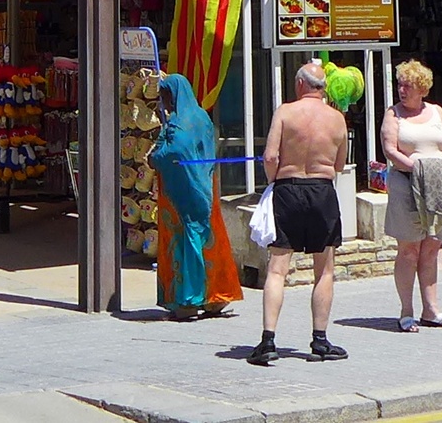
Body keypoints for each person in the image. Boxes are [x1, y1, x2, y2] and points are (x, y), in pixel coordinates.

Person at [251, 60, 350, 367]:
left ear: (299, 85)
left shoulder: (285, 112)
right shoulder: (337, 119)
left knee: (278, 268)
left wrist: (274, 182)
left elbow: (270, 156)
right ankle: (320, 340)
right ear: (322, 89)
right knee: (325, 270)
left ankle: (268, 340)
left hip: (288, 188)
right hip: (322, 191)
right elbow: (339, 165)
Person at [149, 74, 236, 320]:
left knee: (186, 242)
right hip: (206, 187)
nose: (163, 102)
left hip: (183, 193)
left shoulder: (178, 122)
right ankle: (214, 297)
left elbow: (175, 149)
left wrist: (155, 157)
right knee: (209, 239)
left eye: (164, 96)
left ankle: (188, 301)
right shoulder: (202, 117)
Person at [381, 59, 442, 332]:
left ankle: (431, 309)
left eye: (408, 86)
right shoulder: (394, 114)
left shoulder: (436, 111)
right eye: (400, 85)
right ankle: (406, 311)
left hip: (439, 186)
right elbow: (390, 149)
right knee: (409, 250)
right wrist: (418, 168)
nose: (402, 90)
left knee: (431, 247)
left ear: (422, 89)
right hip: (407, 185)